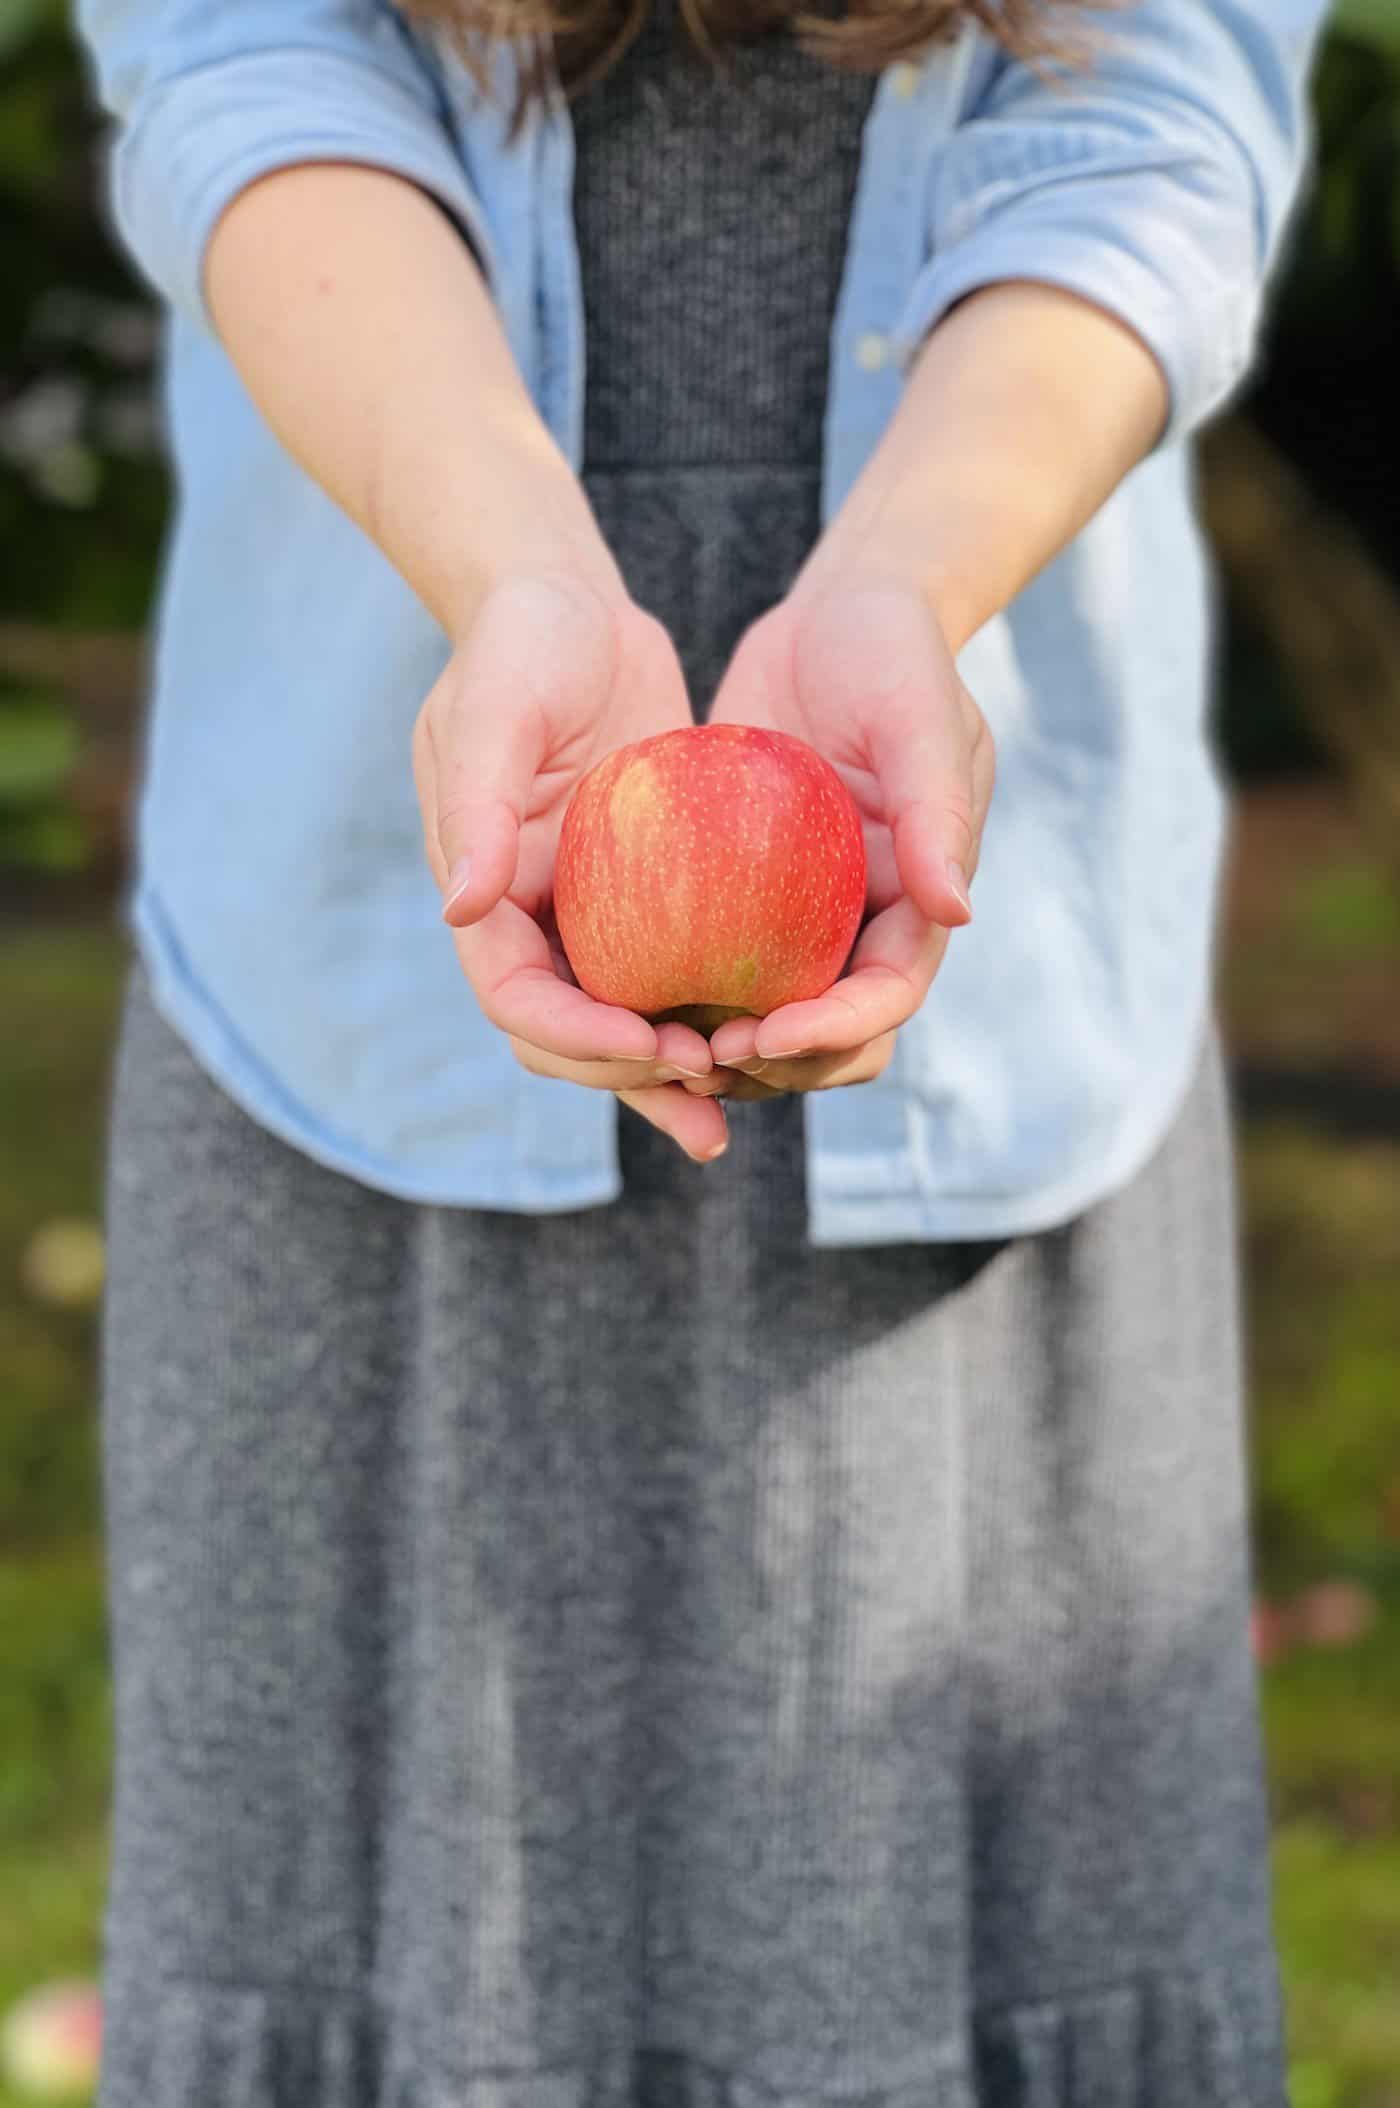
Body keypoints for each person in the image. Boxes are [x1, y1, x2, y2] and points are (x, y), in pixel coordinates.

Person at [76, 0, 1325, 2100]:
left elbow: (1166, 99)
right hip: (376, 894)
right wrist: (511, 571)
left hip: (960, 831)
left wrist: (908, 585)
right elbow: (240, 54)